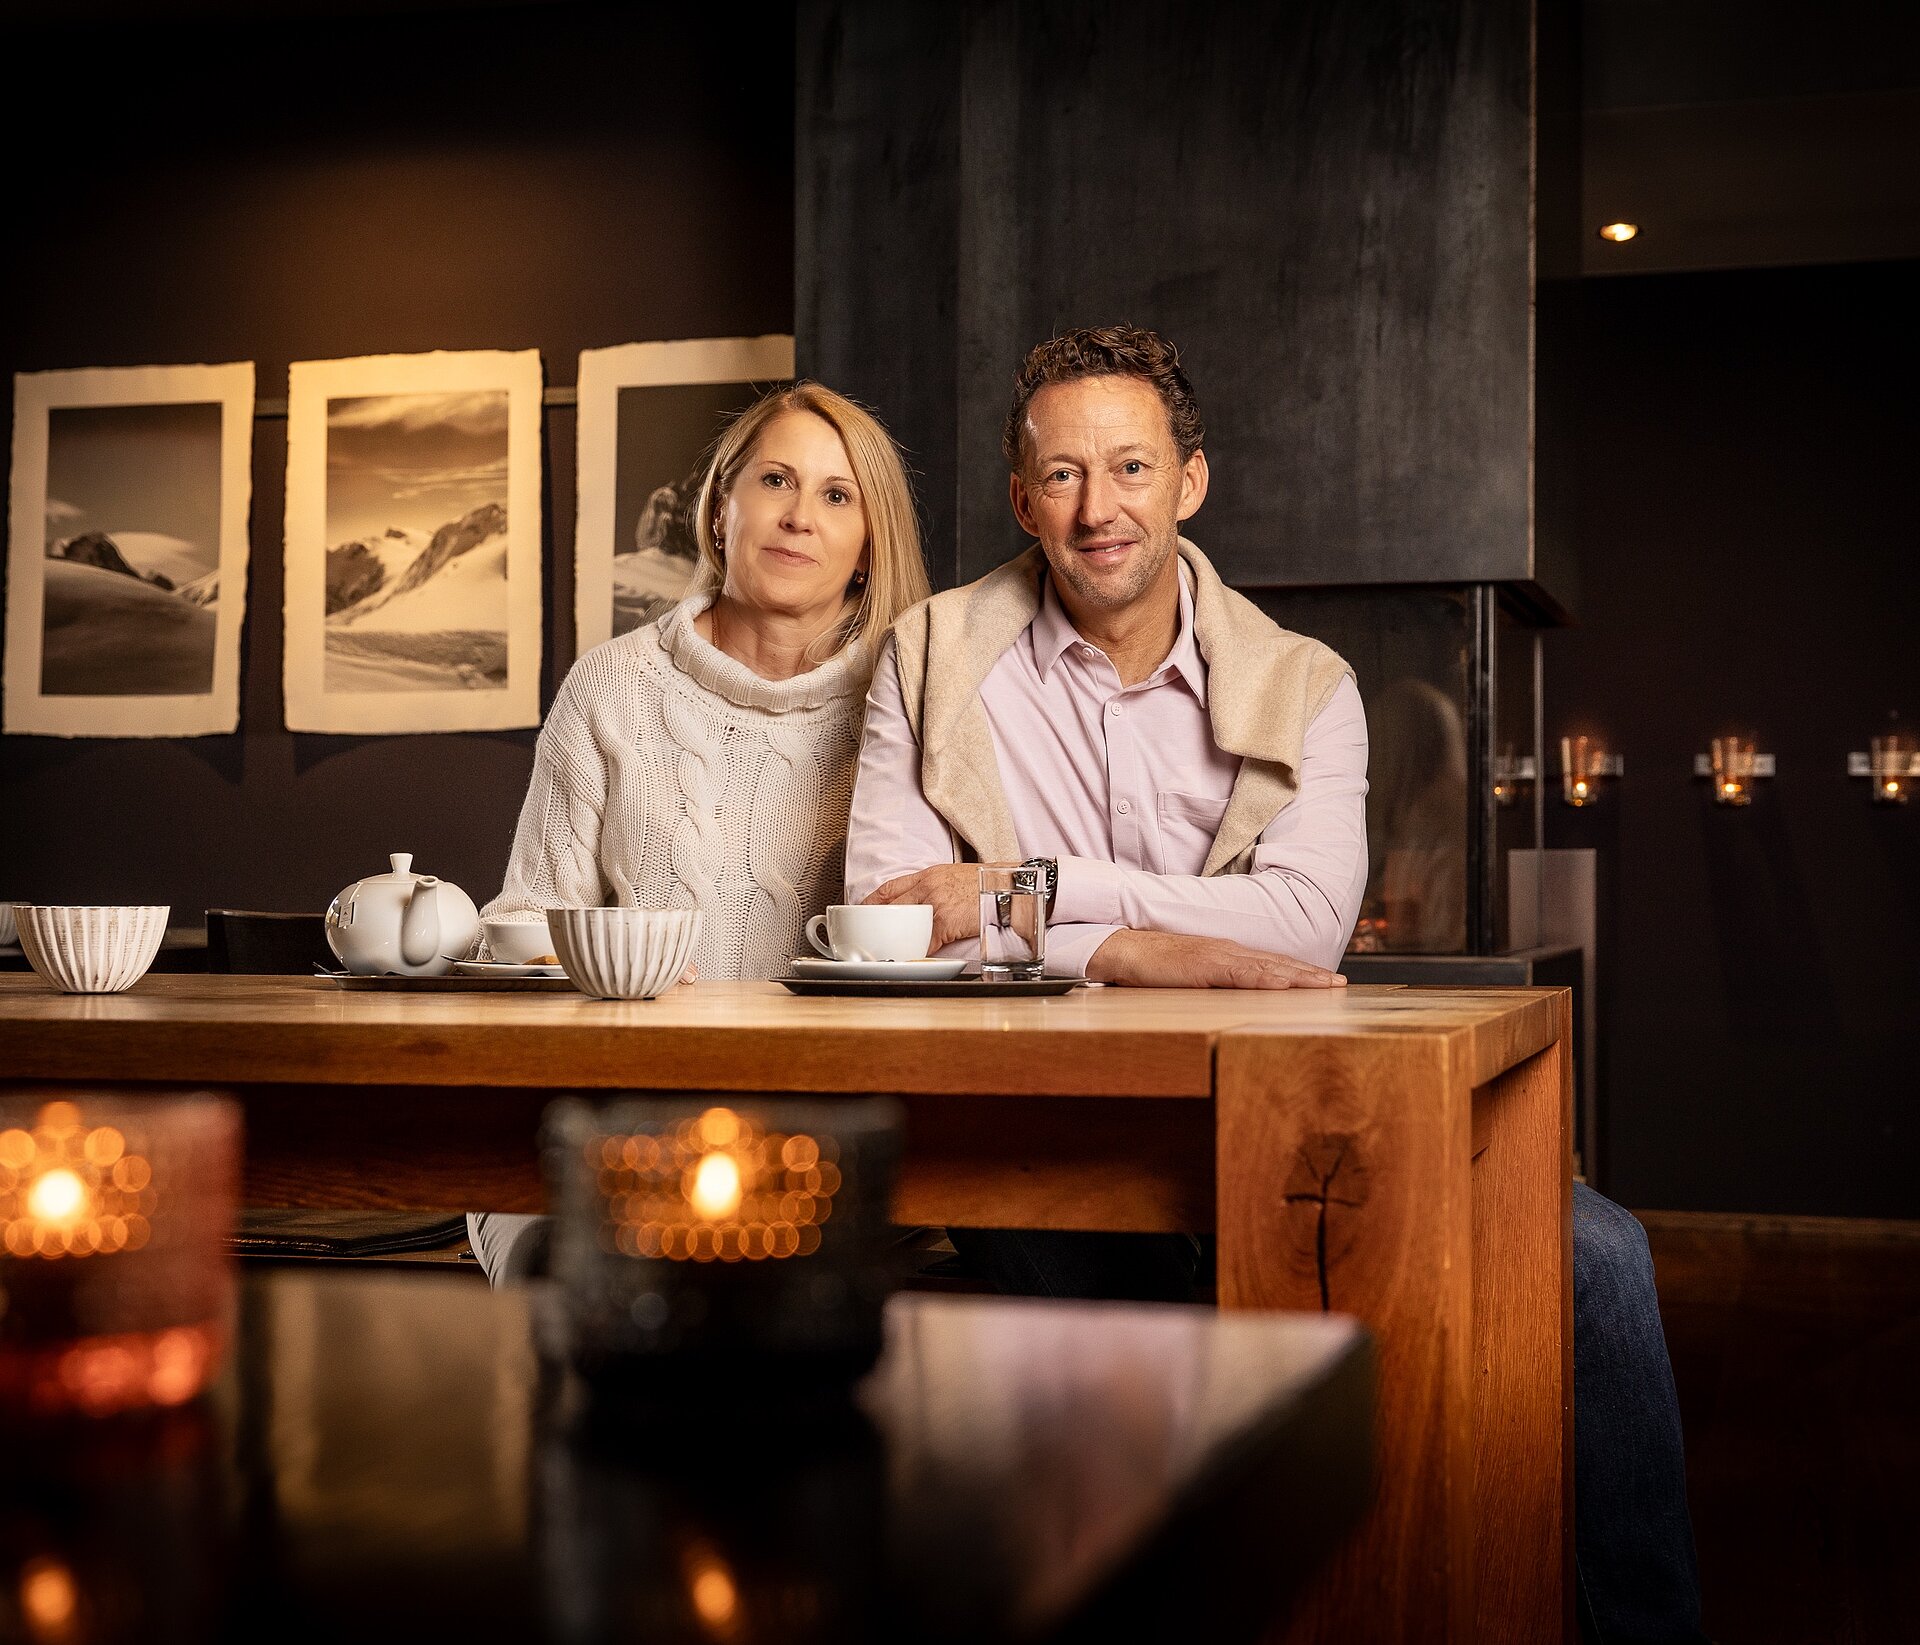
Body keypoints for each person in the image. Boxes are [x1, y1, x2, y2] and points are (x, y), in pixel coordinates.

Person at [843, 325, 1704, 1644]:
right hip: (1050, 1122)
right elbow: (894, 922)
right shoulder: (929, 655)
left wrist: (1037, 893)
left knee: (1599, 1254)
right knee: (1130, 1418)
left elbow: (1301, 932)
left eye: (1129, 466)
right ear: (1022, 501)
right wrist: (1145, 944)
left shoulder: (1310, 684)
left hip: (1300, 1105)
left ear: (1191, 480)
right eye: (1061, 475)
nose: (1097, 506)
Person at [468, 381, 930, 1278]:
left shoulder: (915, 698)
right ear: (723, 509)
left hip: (832, 1143)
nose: (799, 517)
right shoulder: (611, 688)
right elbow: (517, 922)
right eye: (775, 482)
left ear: (870, 544)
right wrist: (599, 959)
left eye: (838, 496)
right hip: (621, 1118)